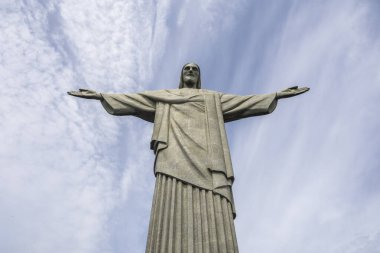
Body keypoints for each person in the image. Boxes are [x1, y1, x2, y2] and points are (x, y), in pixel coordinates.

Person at [68, 63, 309, 253]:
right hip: (172, 158)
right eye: (187, 68)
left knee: (215, 216)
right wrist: (101, 96)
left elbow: (245, 102)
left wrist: (276, 94)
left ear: (199, 76)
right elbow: (135, 100)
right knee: (170, 209)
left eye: (195, 69)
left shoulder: (212, 98)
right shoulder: (166, 96)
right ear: (182, 75)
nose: (191, 71)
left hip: (209, 162)